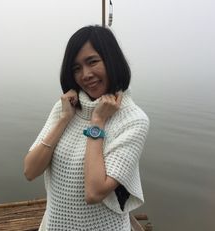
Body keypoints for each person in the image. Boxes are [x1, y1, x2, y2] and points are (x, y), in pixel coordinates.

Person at [24, 25, 149, 230]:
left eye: (92, 62)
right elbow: (30, 170)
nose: (86, 74)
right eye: (76, 68)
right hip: (55, 225)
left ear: (111, 60)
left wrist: (97, 121)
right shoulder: (66, 107)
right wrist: (64, 118)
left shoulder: (133, 120)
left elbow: (94, 192)